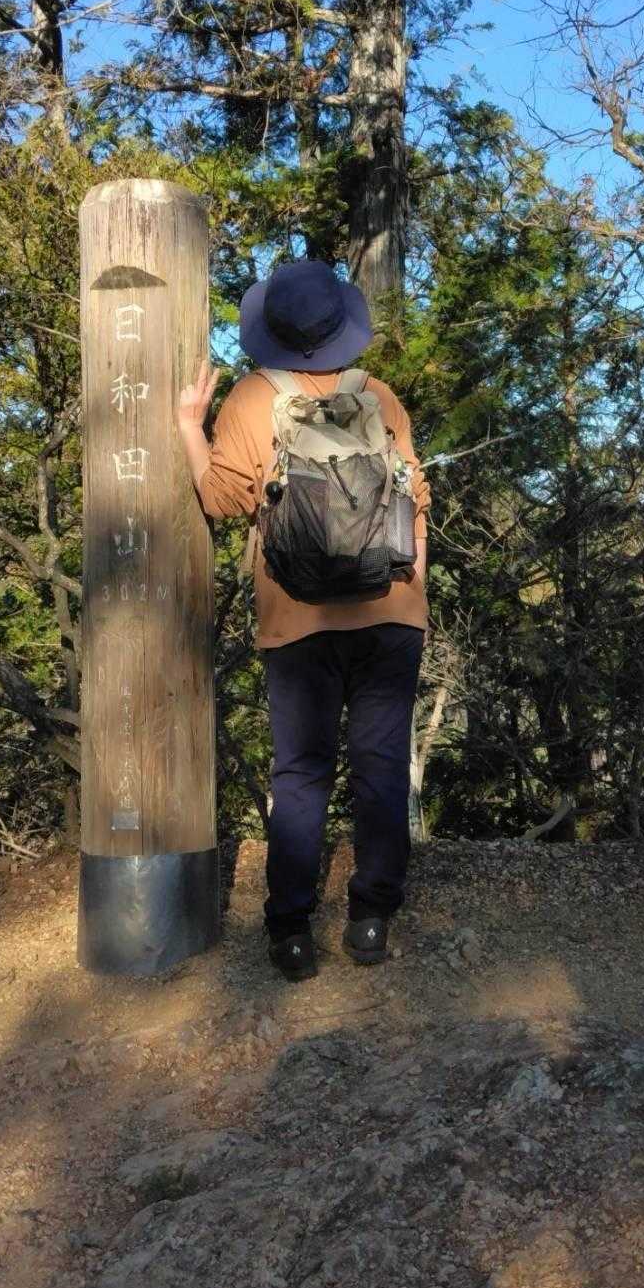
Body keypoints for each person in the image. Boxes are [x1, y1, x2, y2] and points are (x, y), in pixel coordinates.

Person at [177, 260, 431, 983]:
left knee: (300, 772)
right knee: (381, 767)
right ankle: (372, 919)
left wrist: (189, 426)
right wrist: (413, 599)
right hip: (390, 612)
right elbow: (418, 498)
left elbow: (222, 498)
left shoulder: (253, 399)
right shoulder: (378, 395)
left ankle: (291, 931)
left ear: (275, 332)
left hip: (297, 618)